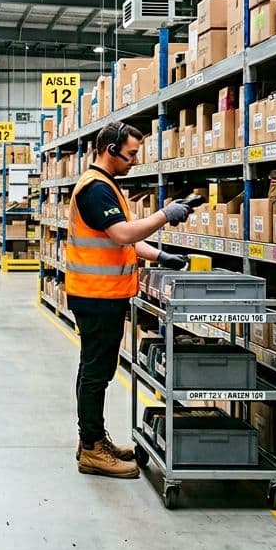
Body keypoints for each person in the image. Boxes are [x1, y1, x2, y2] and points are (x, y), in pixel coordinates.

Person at [66, 121, 194, 480]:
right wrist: (163, 216)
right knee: (96, 373)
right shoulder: (96, 189)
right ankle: (92, 449)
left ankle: (92, 440)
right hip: (97, 296)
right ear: (112, 150)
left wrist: (160, 256)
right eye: (131, 153)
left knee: (95, 370)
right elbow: (122, 233)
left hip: (100, 294)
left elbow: (123, 240)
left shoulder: (105, 185)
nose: (135, 160)